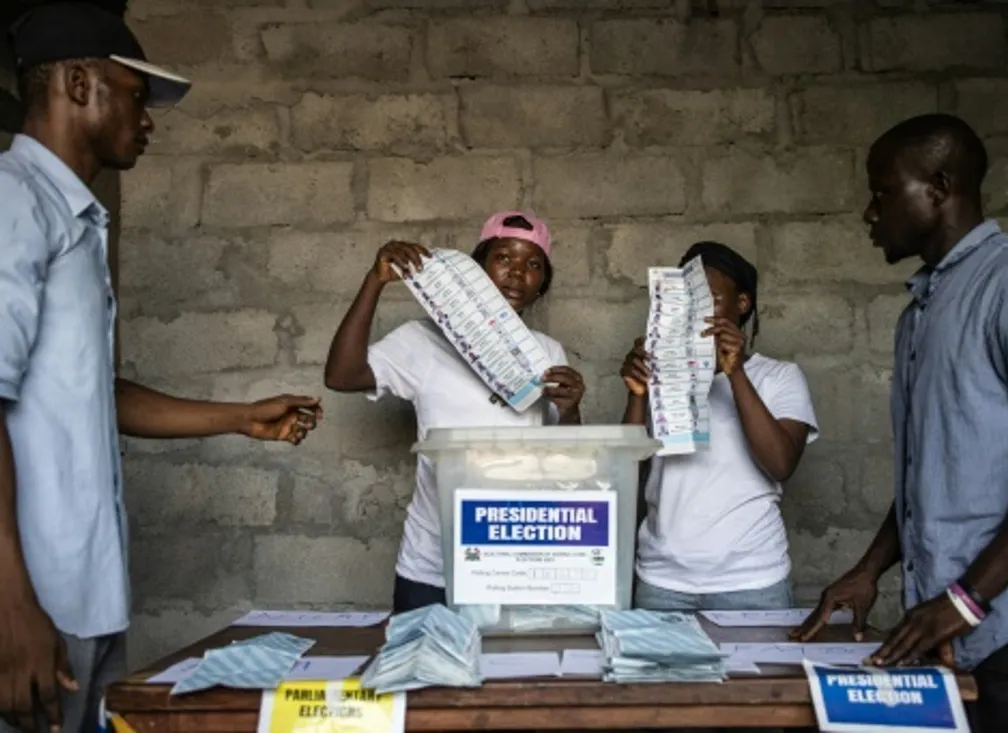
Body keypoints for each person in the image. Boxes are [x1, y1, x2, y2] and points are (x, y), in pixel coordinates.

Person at [0, 4, 323, 732]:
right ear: (78, 84)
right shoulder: (14, 203)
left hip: (81, 596)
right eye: (136, 96)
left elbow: (90, 397)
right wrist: (10, 602)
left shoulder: (74, 221)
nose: (147, 122)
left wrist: (240, 417)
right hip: (30, 604)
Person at [792, 113, 1008, 733]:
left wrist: (966, 599)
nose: (869, 213)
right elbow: (930, 476)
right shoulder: (923, 310)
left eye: (882, 193)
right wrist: (870, 569)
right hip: (952, 633)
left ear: (939, 187)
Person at [324, 211, 586, 613]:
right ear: (476, 270)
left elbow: (565, 463)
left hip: (514, 564)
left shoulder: (547, 353)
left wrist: (570, 411)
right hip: (432, 565)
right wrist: (374, 281)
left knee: (506, 674)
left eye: (533, 265)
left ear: (542, 286)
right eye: (503, 258)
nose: (517, 273)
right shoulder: (421, 342)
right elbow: (342, 376)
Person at [622, 242, 819, 611]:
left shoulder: (779, 377)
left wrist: (735, 373)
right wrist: (637, 395)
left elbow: (780, 464)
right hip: (662, 580)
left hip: (751, 580)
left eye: (708, 298)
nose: (694, 311)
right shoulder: (663, 376)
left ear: (741, 305)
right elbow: (628, 474)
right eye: (686, 299)